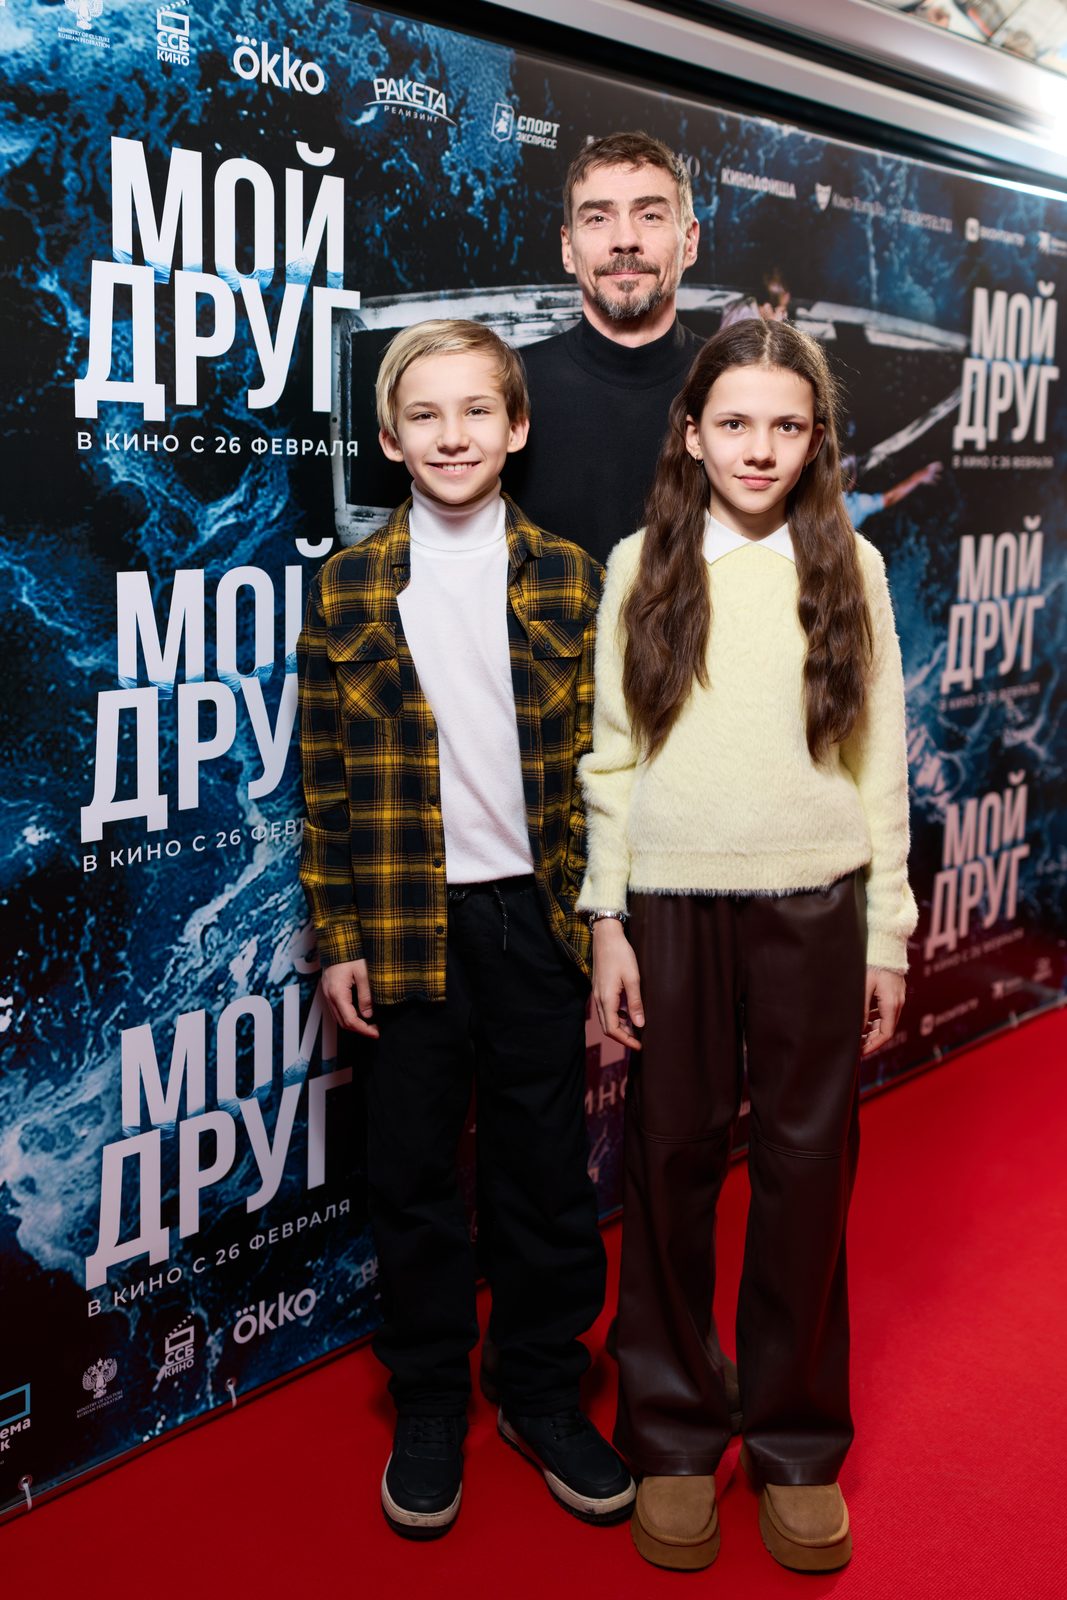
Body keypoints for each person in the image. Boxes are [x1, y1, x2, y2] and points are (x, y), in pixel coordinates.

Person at [577, 317, 917, 1572]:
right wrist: (607, 919)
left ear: (815, 439)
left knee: (805, 1171)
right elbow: (611, 756)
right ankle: (671, 1433)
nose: (758, 448)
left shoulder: (850, 564)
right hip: (671, 904)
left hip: (814, 905)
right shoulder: (639, 564)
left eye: (785, 425)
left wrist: (884, 933)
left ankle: (793, 1444)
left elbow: (878, 760)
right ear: (690, 433)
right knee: (665, 1165)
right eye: (732, 423)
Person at [297, 319, 634, 1539]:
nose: (452, 435)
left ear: (516, 426)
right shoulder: (344, 587)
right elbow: (324, 785)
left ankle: (540, 1390)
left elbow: (605, 768)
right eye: (424, 415)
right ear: (390, 440)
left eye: (476, 410)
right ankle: (431, 1399)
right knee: (412, 1178)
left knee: (543, 1177)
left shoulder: (571, 579)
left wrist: (606, 922)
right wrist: (337, 933)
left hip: (532, 923)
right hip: (403, 920)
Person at [506, 130, 702, 565]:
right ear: (567, 248)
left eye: (650, 215)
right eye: (598, 218)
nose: (624, 239)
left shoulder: (736, 387)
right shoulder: (506, 388)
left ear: (689, 241)